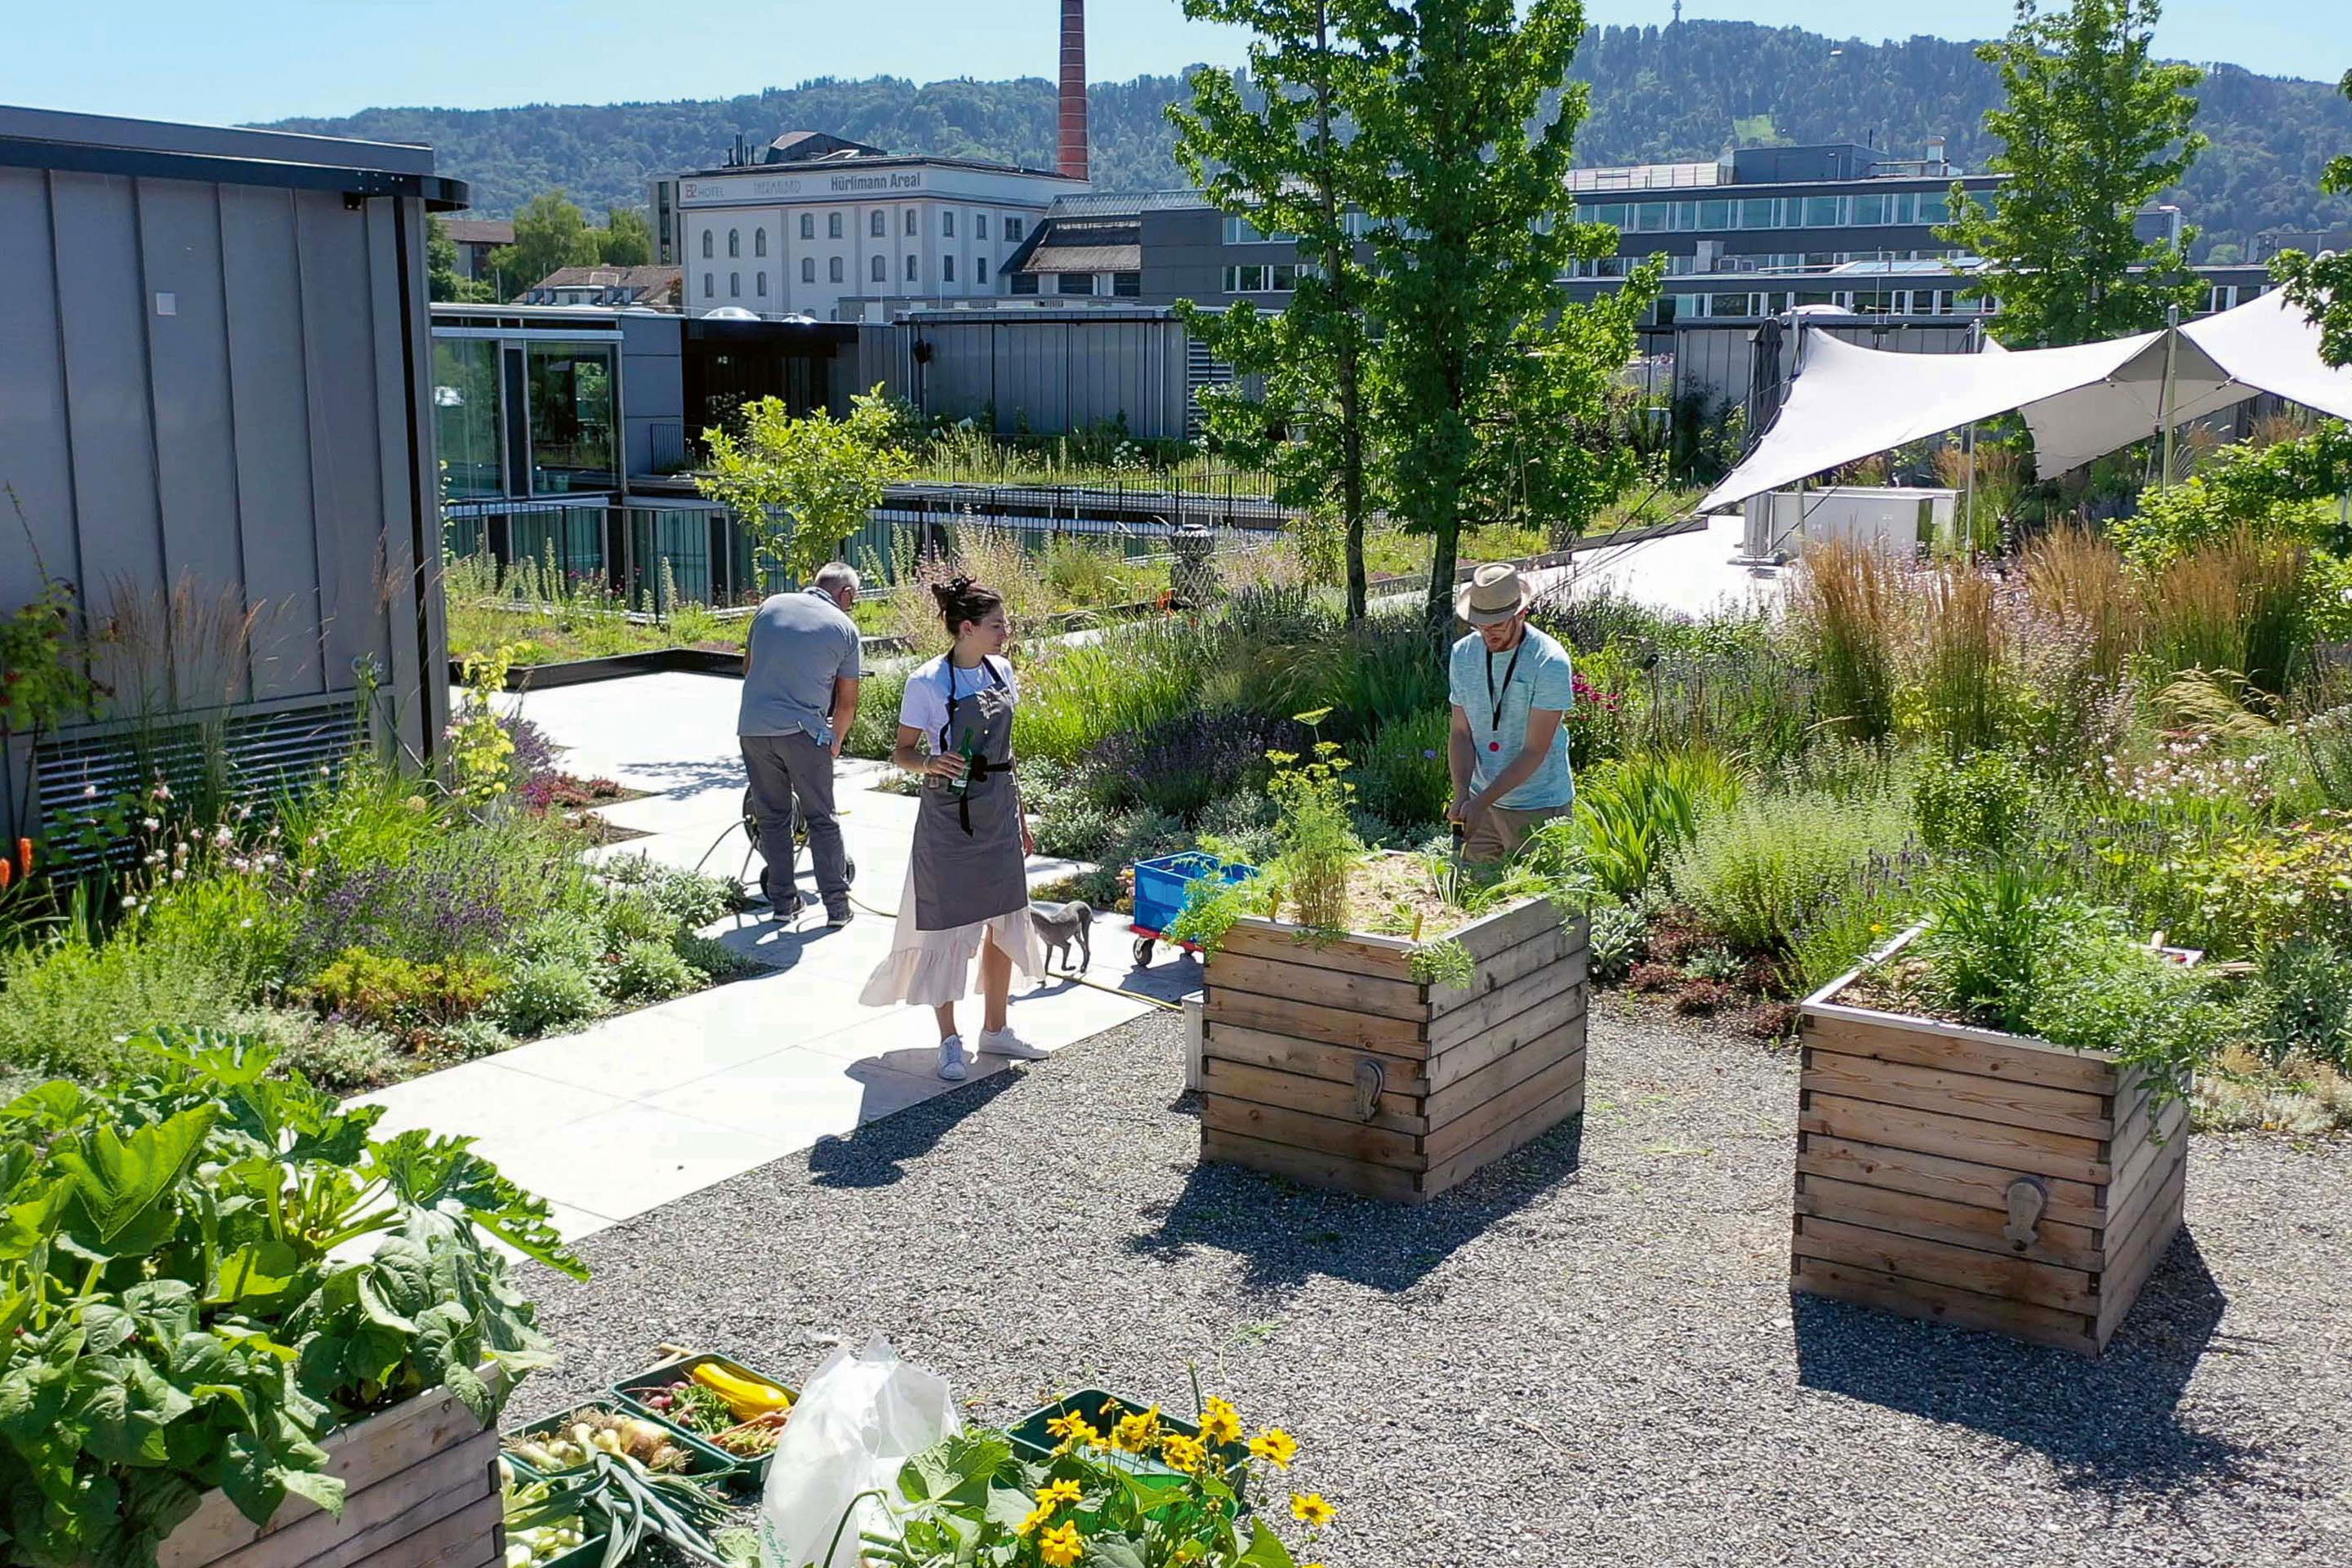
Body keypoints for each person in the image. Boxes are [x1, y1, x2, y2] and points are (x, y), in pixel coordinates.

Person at [860, 576, 1052, 1080]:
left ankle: (996, 1030)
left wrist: (1021, 820)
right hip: (948, 819)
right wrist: (929, 763)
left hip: (997, 811)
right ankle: (948, 1039)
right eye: (997, 624)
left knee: (1003, 918)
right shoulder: (926, 682)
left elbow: (1006, 757)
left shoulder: (1002, 671)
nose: (1005, 632)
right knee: (945, 925)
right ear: (966, 628)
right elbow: (901, 751)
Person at [739, 561, 862, 927]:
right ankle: (837, 908)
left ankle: (783, 904)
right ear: (846, 594)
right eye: (853, 600)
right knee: (822, 818)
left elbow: (749, 667)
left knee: (772, 818)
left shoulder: (770, 606)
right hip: (803, 733)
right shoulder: (844, 628)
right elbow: (847, 701)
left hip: (754, 728)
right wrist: (835, 741)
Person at [1446, 562, 1577, 864]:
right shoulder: (1463, 654)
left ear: (1521, 614)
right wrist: (1463, 794)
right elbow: (1461, 732)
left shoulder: (1549, 661)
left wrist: (1481, 802)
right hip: (1481, 803)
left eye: (1497, 624)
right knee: (1473, 894)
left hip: (1538, 805)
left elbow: (1535, 750)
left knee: (1541, 902)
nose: (1487, 633)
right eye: (1479, 624)